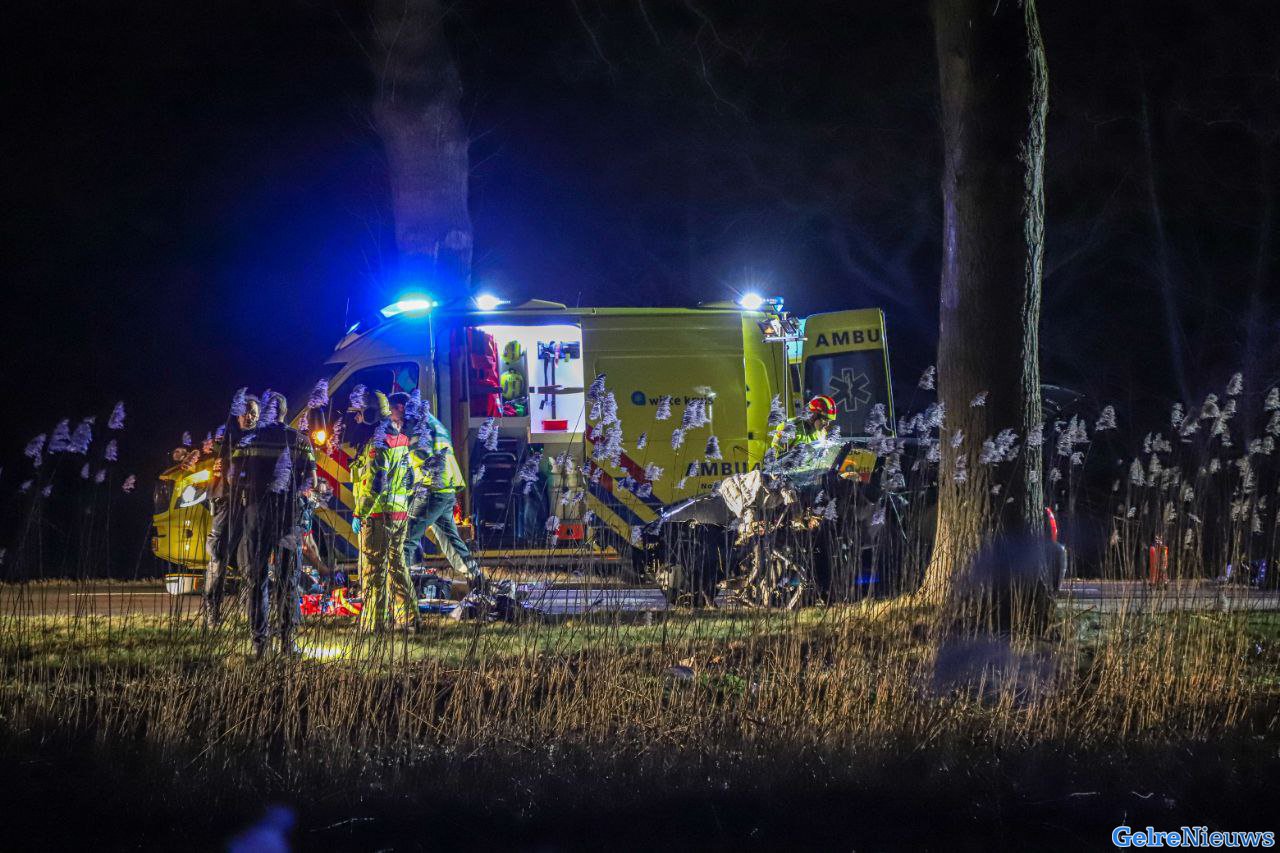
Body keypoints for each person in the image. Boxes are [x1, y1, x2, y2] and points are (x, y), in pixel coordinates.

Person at [230, 391, 317, 657]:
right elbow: (310, 481)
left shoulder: (248, 441)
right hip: (288, 515)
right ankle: (288, 643)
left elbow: (233, 477)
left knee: (257, 579)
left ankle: (260, 644)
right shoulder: (299, 440)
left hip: (257, 514)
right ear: (285, 412)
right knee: (287, 578)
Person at [388, 391, 485, 594]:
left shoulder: (415, 424)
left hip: (430, 489)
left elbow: (413, 456)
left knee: (405, 539)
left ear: (401, 407)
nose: (390, 416)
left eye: (391, 411)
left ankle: (399, 593)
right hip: (445, 488)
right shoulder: (431, 421)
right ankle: (478, 580)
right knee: (451, 541)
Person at [350, 391, 420, 632]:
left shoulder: (377, 443)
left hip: (378, 515)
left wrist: (360, 513)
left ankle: (374, 623)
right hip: (399, 513)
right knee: (397, 566)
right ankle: (408, 619)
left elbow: (376, 483)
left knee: (373, 570)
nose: (357, 417)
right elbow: (410, 477)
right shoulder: (400, 438)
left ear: (370, 414)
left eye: (360, 412)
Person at [202, 393, 260, 629]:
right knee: (218, 558)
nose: (251, 417)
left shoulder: (259, 438)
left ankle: (250, 616)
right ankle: (212, 616)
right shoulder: (224, 438)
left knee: (251, 562)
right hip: (227, 502)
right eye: (247, 412)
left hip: (250, 505)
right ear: (238, 413)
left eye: (254, 413)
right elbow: (211, 455)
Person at [770, 394, 838, 457]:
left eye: (829, 421)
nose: (827, 424)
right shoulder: (789, 428)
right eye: (825, 419)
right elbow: (775, 459)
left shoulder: (821, 433)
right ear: (814, 415)